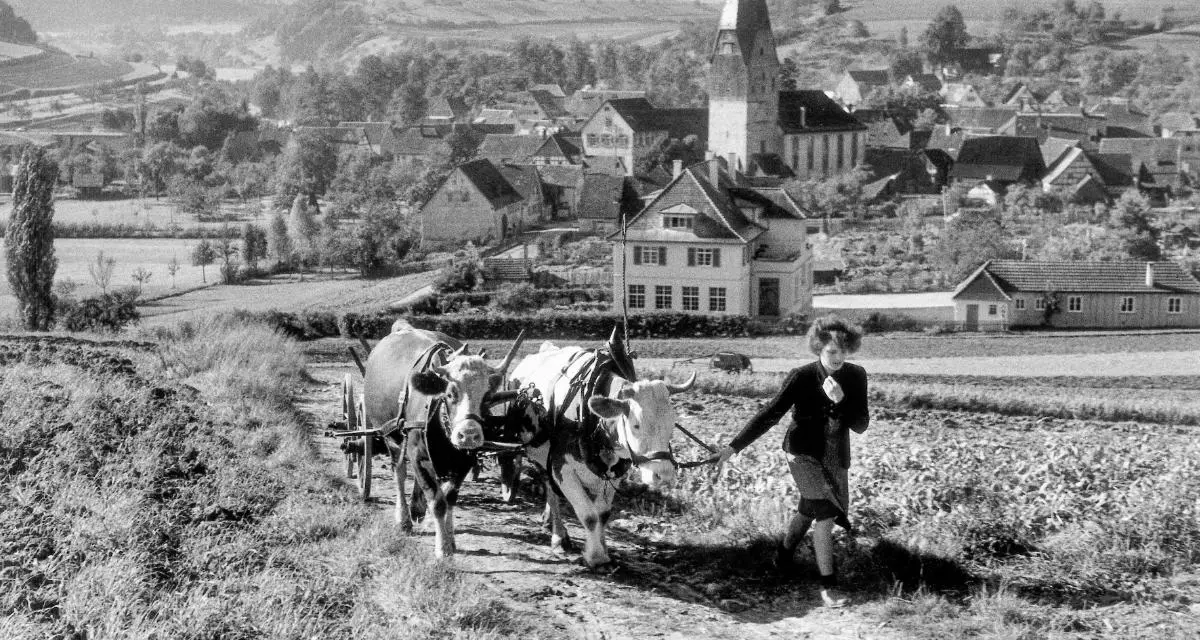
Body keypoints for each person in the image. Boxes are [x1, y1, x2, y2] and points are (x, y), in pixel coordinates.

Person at [715, 315, 870, 608]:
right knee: (825, 514)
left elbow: (861, 425)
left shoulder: (856, 375)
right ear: (818, 349)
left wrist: (842, 402)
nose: (838, 357)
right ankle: (828, 586)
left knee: (809, 509)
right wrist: (732, 447)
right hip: (802, 453)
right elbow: (770, 414)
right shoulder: (801, 376)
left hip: (836, 455)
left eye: (843, 351)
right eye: (831, 351)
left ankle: (782, 558)